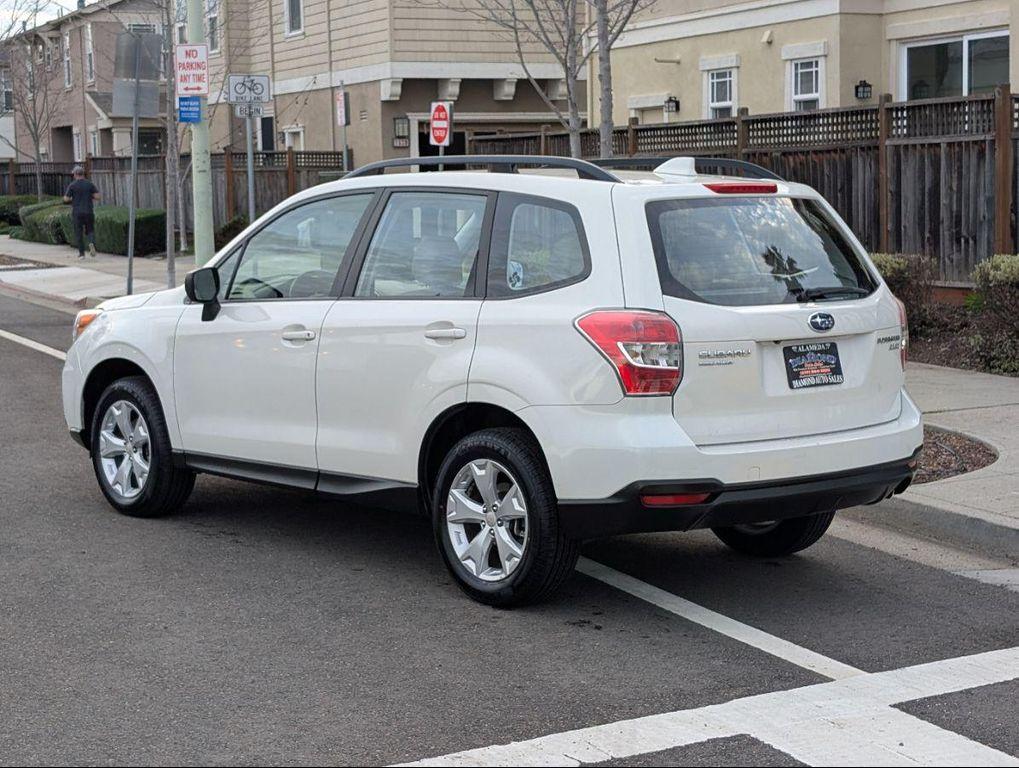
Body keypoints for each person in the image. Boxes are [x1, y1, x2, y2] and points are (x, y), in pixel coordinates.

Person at [63, 166, 100, 259]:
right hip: (88, 211)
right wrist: (89, 196)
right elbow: (98, 196)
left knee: (79, 232)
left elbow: (66, 199)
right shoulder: (89, 184)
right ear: (83, 174)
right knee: (90, 230)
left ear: (75, 174)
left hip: (77, 212)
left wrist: (73, 198)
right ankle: (91, 243)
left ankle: (81, 254)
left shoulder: (72, 185)